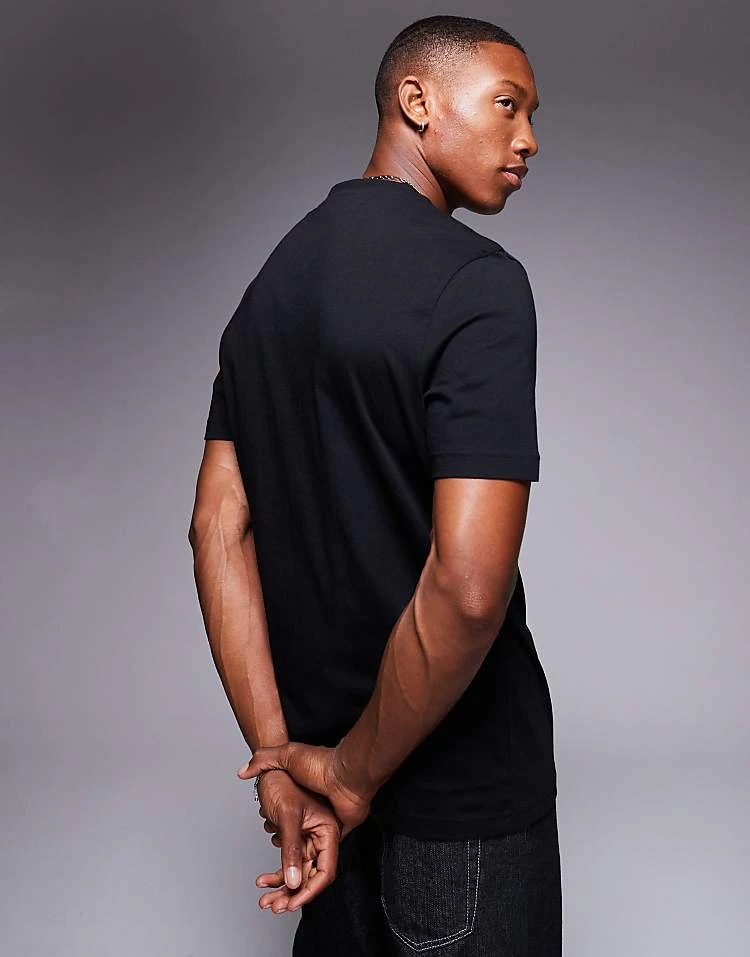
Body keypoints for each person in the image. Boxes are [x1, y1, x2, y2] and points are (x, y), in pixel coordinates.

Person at [188, 13, 561, 956]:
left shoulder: (271, 287)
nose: (528, 140)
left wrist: (283, 763)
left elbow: (217, 526)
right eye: (508, 105)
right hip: (457, 807)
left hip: (320, 800)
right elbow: (468, 590)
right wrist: (350, 776)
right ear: (417, 101)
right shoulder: (479, 284)